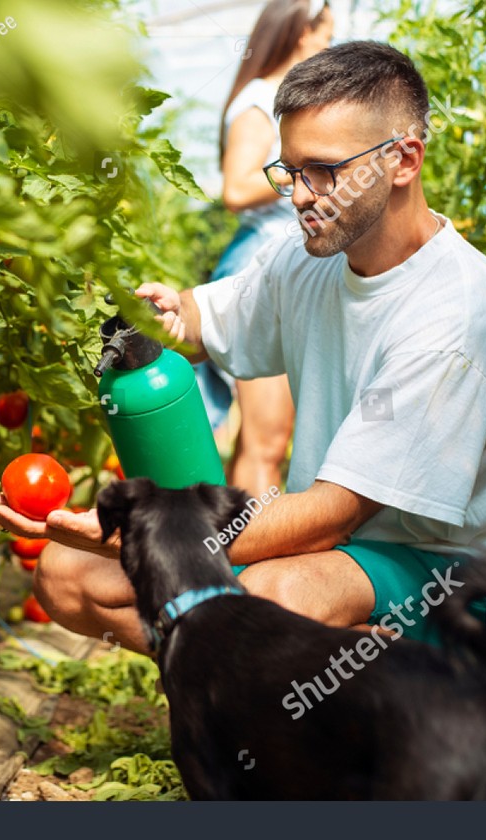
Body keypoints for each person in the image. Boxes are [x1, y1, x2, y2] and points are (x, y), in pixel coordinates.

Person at [0, 41, 486, 660]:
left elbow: (332, 514)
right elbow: (200, 321)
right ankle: (293, 672)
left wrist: (143, 536)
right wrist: (130, 309)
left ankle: (397, 679)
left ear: (403, 159)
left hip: (449, 580)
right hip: (332, 556)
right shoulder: (305, 260)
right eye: (290, 171)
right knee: (66, 574)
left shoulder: (456, 311)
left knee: (264, 601)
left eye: (324, 170)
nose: (299, 196)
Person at [198, 0, 334, 498]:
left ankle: (233, 558)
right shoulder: (261, 98)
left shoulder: (283, 99)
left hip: (285, 262)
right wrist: (316, 171)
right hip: (261, 262)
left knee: (265, 439)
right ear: (301, 34)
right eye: (324, 36)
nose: (327, 47)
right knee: (266, 441)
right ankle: (254, 569)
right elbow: (235, 188)